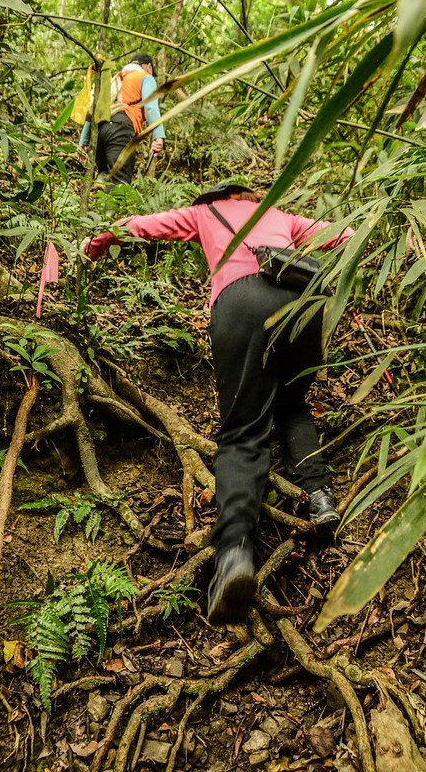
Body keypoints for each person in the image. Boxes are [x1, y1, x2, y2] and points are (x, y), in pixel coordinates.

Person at [81, 183, 354, 624]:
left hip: (243, 302)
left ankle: (235, 555)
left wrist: (94, 243)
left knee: (244, 429)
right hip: (305, 301)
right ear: (252, 196)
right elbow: (342, 232)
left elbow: (141, 227)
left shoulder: (204, 214)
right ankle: (321, 498)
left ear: (214, 199)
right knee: (291, 404)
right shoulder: (279, 214)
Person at [77, 52, 166, 187]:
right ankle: (109, 207)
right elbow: (151, 108)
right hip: (120, 131)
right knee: (119, 184)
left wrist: (84, 140)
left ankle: (101, 197)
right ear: (149, 67)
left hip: (100, 132)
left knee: (106, 178)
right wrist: (158, 136)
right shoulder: (145, 77)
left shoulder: (116, 79)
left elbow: (94, 108)